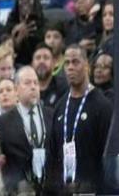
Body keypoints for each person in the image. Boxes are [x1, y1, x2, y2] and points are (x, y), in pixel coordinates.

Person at [45, 44, 113, 195]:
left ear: (87, 65)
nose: (70, 67)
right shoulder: (60, 107)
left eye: (75, 62)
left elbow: (109, 159)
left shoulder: (102, 106)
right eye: (67, 63)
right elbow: (53, 155)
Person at [0, 66, 54, 195]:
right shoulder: (3, 122)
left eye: (36, 83)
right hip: (19, 190)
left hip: (50, 189)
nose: (33, 87)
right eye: (27, 83)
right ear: (16, 90)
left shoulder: (52, 115)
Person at [31, 43, 68, 108]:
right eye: (38, 58)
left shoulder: (64, 87)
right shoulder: (26, 88)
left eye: (46, 58)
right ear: (32, 64)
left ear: (54, 63)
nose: (41, 61)